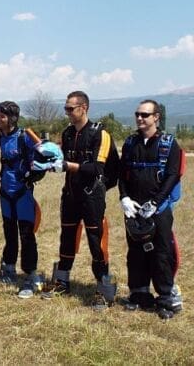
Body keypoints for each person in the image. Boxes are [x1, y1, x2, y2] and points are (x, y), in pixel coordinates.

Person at [50, 90, 118, 309]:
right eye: (66, 108)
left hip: (91, 197)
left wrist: (70, 167)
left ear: (84, 108)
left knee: (96, 242)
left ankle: (103, 289)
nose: (67, 112)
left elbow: (98, 168)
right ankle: (61, 281)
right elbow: (61, 159)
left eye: (71, 108)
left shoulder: (100, 134)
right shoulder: (68, 133)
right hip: (70, 195)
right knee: (66, 238)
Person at [118, 99, 184, 319]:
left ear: (156, 117)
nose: (139, 118)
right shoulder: (130, 143)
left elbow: (173, 175)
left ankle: (166, 298)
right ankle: (139, 294)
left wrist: (156, 202)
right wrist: (124, 197)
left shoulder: (168, 143)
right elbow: (123, 175)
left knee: (161, 252)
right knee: (135, 252)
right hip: (134, 209)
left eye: (145, 115)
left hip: (159, 208)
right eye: (137, 114)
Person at [0, 101, 46, 298]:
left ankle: (31, 275)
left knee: (26, 235)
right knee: (9, 233)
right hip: (5, 193)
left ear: (13, 118)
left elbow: (44, 158)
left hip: (22, 193)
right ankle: (9, 268)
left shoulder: (25, 136)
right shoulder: (1, 135)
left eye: (2, 116)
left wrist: (31, 177)